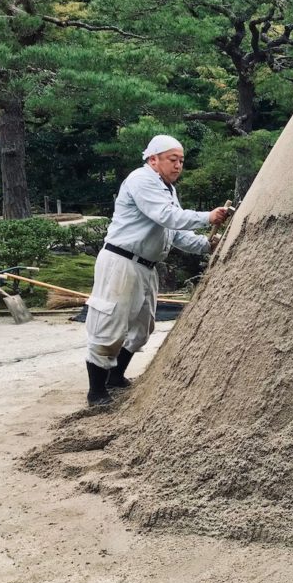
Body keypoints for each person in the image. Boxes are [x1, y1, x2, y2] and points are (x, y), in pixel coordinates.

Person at [84, 135, 231, 407]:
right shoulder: (141, 180)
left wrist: (207, 245)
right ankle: (96, 391)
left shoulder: (167, 189)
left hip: (146, 266)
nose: (178, 166)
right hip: (121, 262)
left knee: (142, 327)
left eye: (181, 161)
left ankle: (115, 377)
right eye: (172, 159)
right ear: (153, 159)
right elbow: (167, 216)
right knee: (110, 323)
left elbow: (173, 233)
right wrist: (206, 217)